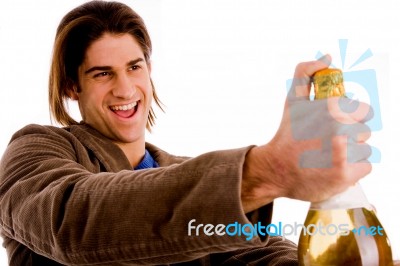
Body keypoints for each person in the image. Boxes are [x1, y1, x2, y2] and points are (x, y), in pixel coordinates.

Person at [0, 1, 374, 265]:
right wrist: (265, 170)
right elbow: (73, 222)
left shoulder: (185, 175)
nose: (125, 89)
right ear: (70, 86)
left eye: (134, 67)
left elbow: (251, 251)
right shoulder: (35, 151)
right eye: (103, 73)